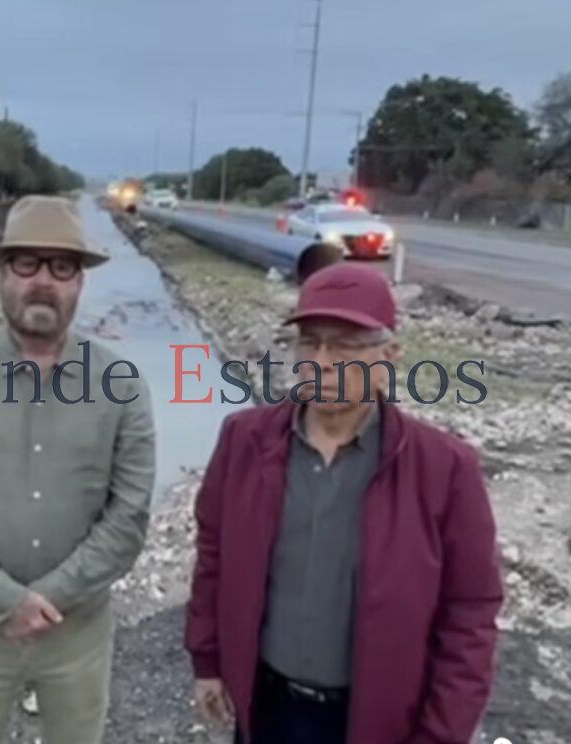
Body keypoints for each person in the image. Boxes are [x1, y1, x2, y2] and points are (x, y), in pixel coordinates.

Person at [186, 263, 503, 744]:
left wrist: (441, 733)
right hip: (265, 705)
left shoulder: (444, 469)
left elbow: (470, 613)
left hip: (374, 720)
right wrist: (207, 660)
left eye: (347, 345)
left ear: (388, 357)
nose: (323, 361)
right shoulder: (244, 440)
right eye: (310, 342)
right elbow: (213, 554)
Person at [0, 195, 156, 744]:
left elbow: (130, 514)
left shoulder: (122, 385)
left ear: (80, 282)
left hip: (78, 631)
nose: (43, 281)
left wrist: (51, 598)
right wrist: (5, 601)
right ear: (0, 274)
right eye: (26, 263)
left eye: (62, 266)